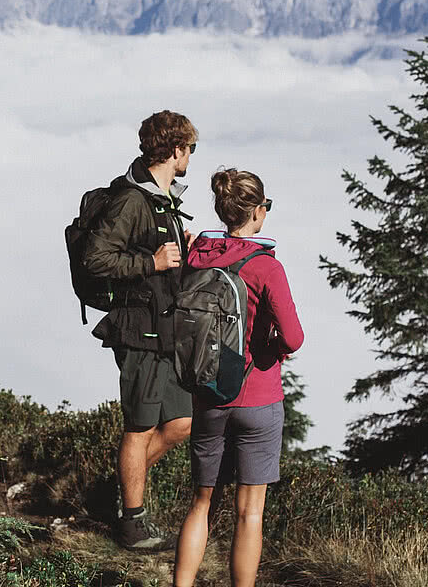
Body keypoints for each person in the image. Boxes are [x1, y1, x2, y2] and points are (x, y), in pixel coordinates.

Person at [172, 168, 304, 587]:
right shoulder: (266, 267)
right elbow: (295, 338)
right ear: (258, 213)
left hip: (208, 395)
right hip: (259, 396)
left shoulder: (200, 254)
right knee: (249, 512)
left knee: (201, 504)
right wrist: (271, 350)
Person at [81, 110, 199, 550]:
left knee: (184, 422)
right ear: (174, 150)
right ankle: (132, 524)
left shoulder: (163, 201)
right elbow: (97, 258)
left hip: (166, 333)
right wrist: (152, 262)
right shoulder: (133, 200)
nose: (191, 157)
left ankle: (118, 492)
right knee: (139, 429)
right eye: (190, 149)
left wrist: (182, 252)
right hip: (138, 333)